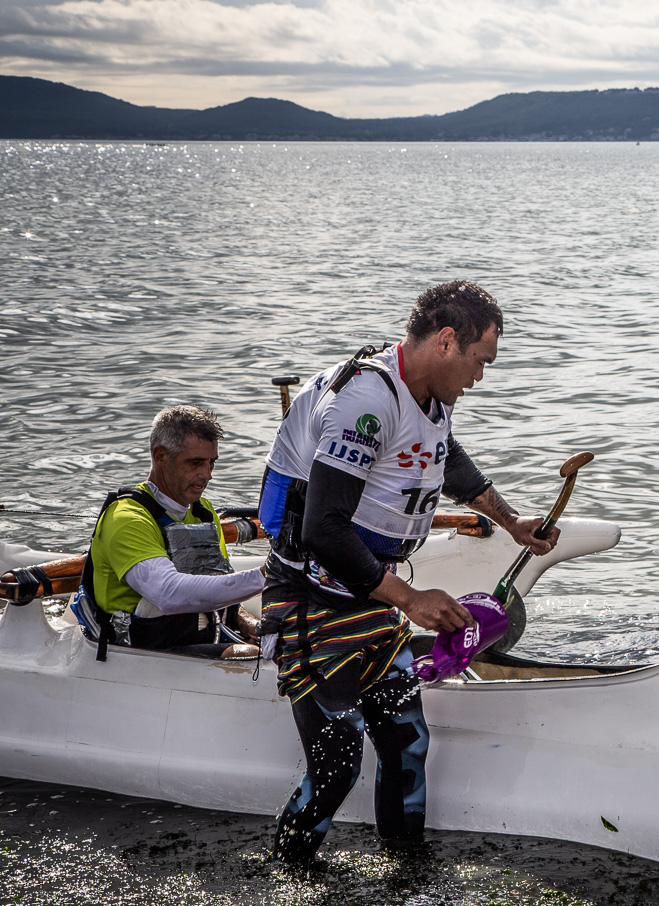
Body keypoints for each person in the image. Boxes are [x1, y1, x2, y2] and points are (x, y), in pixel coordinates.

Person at [258, 279, 557, 863]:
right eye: (479, 361)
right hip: (310, 599)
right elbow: (324, 529)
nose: (480, 377)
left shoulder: (431, 396)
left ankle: (408, 874)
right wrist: (411, 599)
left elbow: (446, 460)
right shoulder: (366, 400)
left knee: (408, 743)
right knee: (337, 764)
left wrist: (515, 523)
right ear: (447, 341)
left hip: (371, 592)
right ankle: (289, 882)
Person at [72, 405, 265, 660]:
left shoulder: (204, 512)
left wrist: (245, 621)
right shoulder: (127, 519)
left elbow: (210, 580)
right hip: (138, 654)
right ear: (160, 456)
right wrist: (265, 576)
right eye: (196, 463)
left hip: (191, 642)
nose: (206, 475)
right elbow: (169, 594)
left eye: (211, 463)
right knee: (256, 656)